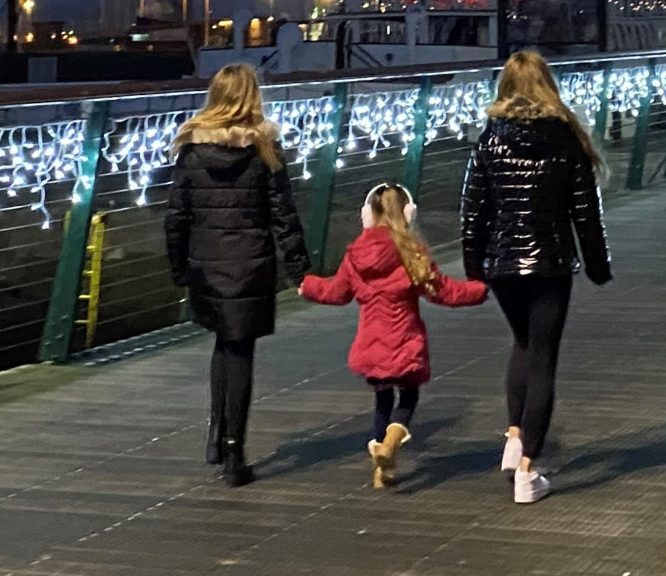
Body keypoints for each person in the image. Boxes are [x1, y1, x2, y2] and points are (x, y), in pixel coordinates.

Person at [461, 51, 612, 504]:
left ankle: (513, 437)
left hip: (504, 264)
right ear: (548, 85)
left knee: (522, 344)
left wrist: (474, 268)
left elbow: (473, 212)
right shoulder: (567, 139)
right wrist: (599, 265)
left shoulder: (489, 139)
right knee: (543, 355)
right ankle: (528, 470)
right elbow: (586, 213)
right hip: (550, 262)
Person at [164, 63, 311, 487]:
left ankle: (215, 432)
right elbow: (284, 216)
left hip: (206, 263)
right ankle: (235, 452)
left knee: (221, 343)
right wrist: (299, 269)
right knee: (240, 351)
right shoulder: (264, 150)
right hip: (250, 264)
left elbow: (177, 216)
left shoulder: (190, 150)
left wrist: (178, 267)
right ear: (252, 96)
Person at [300, 182, 487, 488]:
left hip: (370, 346)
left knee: (382, 401)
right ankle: (390, 445)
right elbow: (442, 291)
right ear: (408, 213)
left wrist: (307, 286)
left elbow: (336, 292)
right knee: (407, 398)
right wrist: (479, 289)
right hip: (404, 342)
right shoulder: (411, 251)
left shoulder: (355, 256)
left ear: (367, 215)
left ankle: (382, 466)